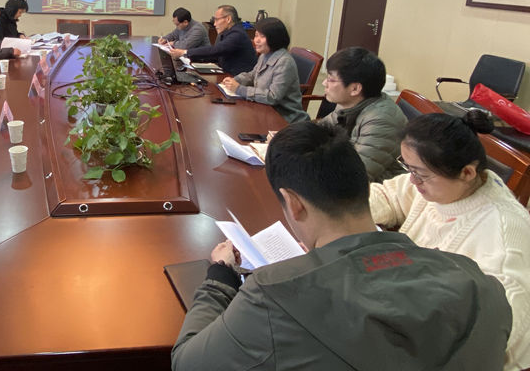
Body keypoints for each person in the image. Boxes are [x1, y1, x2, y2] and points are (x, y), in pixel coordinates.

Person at [172, 121, 512, 371]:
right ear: (364, 184)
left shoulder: (271, 297)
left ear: (293, 204)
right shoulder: (483, 286)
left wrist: (220, 278)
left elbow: (187, 362)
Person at [370, 111, 530, 369]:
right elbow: (388, 196)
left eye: (420, 174)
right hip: (410, 306)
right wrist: (343, 211)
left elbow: (498, 335)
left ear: (467, 172)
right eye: (408, 168)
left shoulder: (501, 241)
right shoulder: (444, 184)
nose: (412, 181)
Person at [317, 47, 406, 182]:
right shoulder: (349, 102)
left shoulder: (381, 120)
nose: (324, 83)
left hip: (378, 187)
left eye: (331, 79)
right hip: (346, 170)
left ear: (355, 89)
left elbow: (356, 176)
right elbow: (319, 130)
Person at [220, 17, 308, 123]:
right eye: (256, 35)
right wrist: (235, 80)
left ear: (274, 38)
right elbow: (252, 75)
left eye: (262, 36)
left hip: (284, 117)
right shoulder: (265, 54)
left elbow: (273, 97)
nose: (256, 40)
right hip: (264, 109)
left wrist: (239, 89)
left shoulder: (284, 62)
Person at [169, 5, 256, 76]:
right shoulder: (226, 33)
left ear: (228, 19)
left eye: (217, 20)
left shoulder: (237, 34)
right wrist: (191, 59)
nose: (214, 24)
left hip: (237, 78)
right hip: (227, 74)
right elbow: (216, 56)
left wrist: (185, 52)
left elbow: (216, 50)